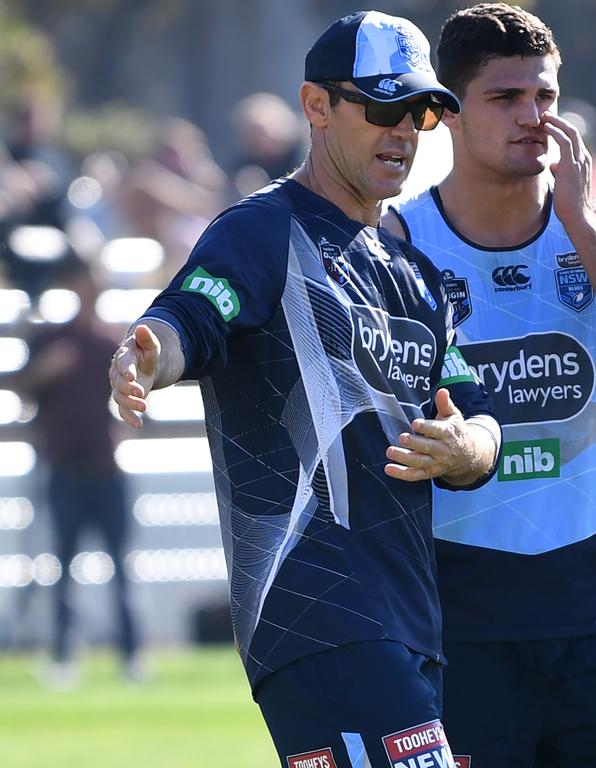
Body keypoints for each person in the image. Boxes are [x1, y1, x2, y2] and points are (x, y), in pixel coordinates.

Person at [109, 11, 500, 768]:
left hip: (410, 619)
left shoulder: (418, 278)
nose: (405, 133)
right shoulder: (261, 230)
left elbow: (476, 421)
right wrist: (145, 356)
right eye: (383, 108)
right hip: (315, 609)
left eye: (420, 113)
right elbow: (192, 317)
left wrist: (466, 447)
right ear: (316, 107)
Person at [383, 5, 596, 767]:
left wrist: (580, 221)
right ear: (449, 115)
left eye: (546, 98)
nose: (533, 117)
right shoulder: (396, 244)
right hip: (460, 623)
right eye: (505, 99)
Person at [15, 257, 142, 686]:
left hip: (105, 468)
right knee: (62, 567)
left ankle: (131, 655)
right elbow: (23, 390)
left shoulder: (110, 342)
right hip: (65, 468)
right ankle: (65, 654)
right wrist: (46, 370)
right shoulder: (50, 340)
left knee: (120, 567)